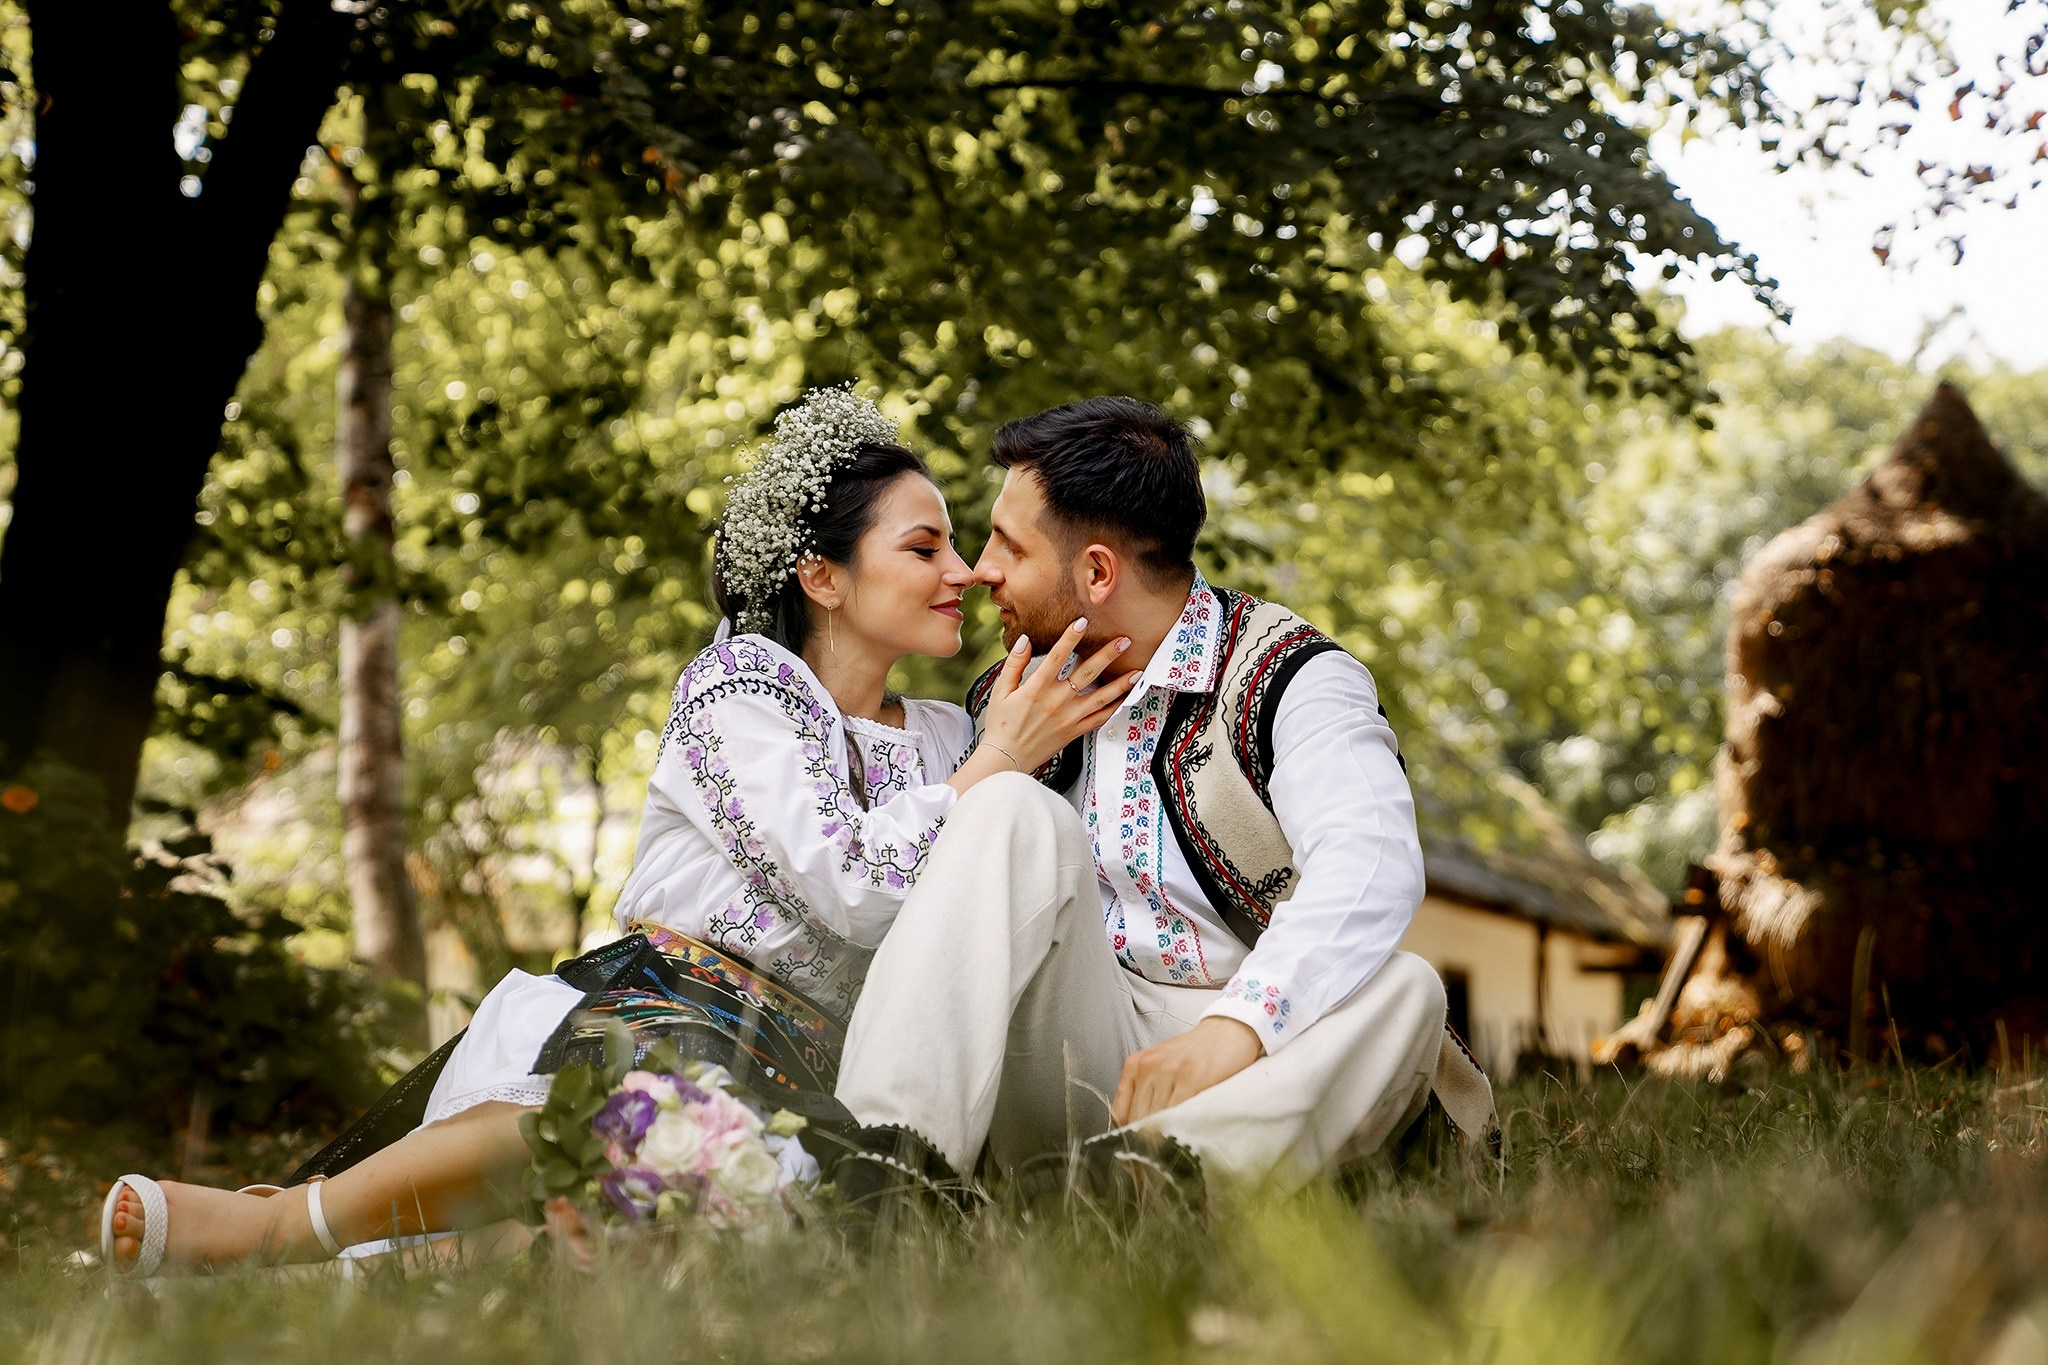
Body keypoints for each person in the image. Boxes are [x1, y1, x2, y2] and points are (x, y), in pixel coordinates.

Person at [99, 388, 1136, 1277]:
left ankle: (423, 1262)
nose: (962, 572)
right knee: (622, 1109)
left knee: (702, 1209)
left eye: (958, 544)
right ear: (821, 576)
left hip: (829, 1066)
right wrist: (994, 762)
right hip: (676, 998)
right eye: (924, 546)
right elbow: (847, 885)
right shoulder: (741, 692)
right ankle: (291, 1222)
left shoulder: (955, 734)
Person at [830, 396, 1494, 1202]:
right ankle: (881, 1180)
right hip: (1069, 1046)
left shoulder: (1293, 677)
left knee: (1407, 989)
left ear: (1098, 572)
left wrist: (1234, 1029)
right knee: (1007, 810)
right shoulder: (1007, 699)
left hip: (1245, 1060)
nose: (979, 570)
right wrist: (1002, 755)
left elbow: (1372, 861)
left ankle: (1146, 1183)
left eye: (1008, 543)